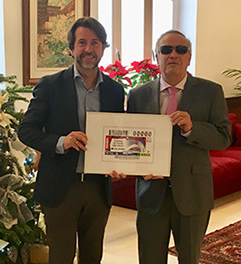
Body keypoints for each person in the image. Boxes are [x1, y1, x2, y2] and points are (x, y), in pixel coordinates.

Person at [18, 17, 125, 264]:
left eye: (95, 43)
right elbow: (26, 131)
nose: (89, 49)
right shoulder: (50, 85)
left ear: (103, 48)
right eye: (82, 42)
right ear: (71, 48)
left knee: (92, 256)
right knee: (61, 257)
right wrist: (61, 141)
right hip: (60, 187)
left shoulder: (114, 90)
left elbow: (116, 135)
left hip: (98, 189)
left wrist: (121, 162)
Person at [126, 30, 232, 264]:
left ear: (189, 57)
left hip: (193, 193)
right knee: (149, 259)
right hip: (151, 194)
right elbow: (131, 142)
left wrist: (192, 128)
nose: (173, 54)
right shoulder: (137, 95)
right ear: (156, 57)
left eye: (180, 50)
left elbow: (224, 137)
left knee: (189, 259)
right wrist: (131, 165)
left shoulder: (210, 91)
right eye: (166, 50)